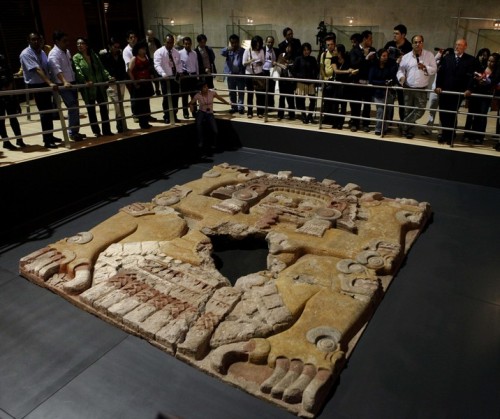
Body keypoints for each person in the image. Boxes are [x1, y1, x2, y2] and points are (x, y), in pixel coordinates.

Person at [19, 31, 60, 148]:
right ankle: (47, 140)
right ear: (29, 41)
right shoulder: (26, 54)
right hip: (37, 85)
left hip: (46, 84)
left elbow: (46, 68)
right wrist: (50, 83)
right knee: (44, 113)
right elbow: (37, 69)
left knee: (49, 111)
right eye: (33, 39)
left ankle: (50, 135)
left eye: (38, 39)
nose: (36, 41)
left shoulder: (42, 52)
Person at [435, 38, 475, 145]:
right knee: (443, 113)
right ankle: (444, 134)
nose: (457, 47)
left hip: (458, 92)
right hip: (445, 91)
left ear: (465, 46)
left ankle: (450, 136)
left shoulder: (470, 60)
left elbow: (471, 77)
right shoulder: (447, 58)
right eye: (456, 45)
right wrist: (438, 86)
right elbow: (440, 73)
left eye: (460, 45)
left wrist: (469, 89)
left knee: (452, 114)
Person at [73, 37, 115, 137]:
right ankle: (96, 131)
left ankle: (106, 130)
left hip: (99, 86)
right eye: (78, 44)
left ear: (86, 45)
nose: (80, 45)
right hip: (88, 88)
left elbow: (101, 68)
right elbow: (78, 71)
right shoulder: (76, 57)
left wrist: (108, 77)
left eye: (82, 43)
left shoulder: (94, 55)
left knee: (104, 108)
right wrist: (84, 81)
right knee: (91, 110)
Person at [396, 34, 437, 138]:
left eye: (420, 42)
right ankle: (406, 130)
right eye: (415, 42)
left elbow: (434, 69)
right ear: (412, 44)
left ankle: (403, 124)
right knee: (407, 110)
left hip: (421, 89)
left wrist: (425, 67)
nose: (418, 44)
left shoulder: (429, 55)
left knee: (421, 110)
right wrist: (401, 77)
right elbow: (400, 70)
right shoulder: (406, 57)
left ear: (422, 43)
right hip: (408, 88)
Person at [48, 30, 85, 141]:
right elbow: (56, 69)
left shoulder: (67, 51)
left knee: (75, 107)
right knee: (72, 106)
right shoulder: (53, 54)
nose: (67, 43)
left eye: (67, 40)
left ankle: (75, 131)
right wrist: (64, 81)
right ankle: (72, 132)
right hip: (63, 84)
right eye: (64, 41)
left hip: (71, 82)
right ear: (57, 41)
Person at [189, 81, 230, 156]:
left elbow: (219, 98)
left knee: (215, 130)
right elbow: (191, 103)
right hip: (202, 111)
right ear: (201, 89)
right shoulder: (198, 95)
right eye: (204, 87)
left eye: (207, 86)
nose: (207, 88)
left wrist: (227, 102)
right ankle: (200, 142)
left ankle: (213, 144)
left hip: (210, 113)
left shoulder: (212, 92)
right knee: (198, 124)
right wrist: (191, 108)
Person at [384, 24, 413, 123]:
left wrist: (403, 58)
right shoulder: (389, 44)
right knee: (389, 102)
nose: (394, 35)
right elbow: (382, 58)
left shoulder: (409, 47)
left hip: (403, 78)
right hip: (390, 76)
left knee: (403, 102)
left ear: (403, 35)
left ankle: (403, 123)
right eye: (394, 33)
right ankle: (388, 123)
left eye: (397, 33)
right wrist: (386, 54)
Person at [467, 54, 498, 144]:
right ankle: (473, 135)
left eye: (492, 61)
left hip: (486, 96)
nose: (490, 63)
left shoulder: (496, 72)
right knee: (475, 115)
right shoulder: (482, 68)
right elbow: (475, 77)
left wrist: (486, 82)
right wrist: (478, 79)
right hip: (478, 93)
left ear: (495, 63)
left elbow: (494, 82)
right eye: (489, 61)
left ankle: (480, 137)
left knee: (482, 116)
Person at [101, 37, 127, 133]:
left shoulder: (120, 56)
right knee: (116, 104)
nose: (117, 49)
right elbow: (104, 69)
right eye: (114, 47)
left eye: (118, 47)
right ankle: (120, 125)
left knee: (120, 103)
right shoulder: (104, 57)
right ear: (110, 47)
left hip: (121, 82)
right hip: (111, 84)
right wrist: (109, 78)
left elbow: (123, 68)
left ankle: (121, 125)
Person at [463, 48, 490, 141]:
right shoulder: (474, 64)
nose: (483, 57)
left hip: (484, 94)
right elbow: (469, 77)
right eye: (481, 54)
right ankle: (467, 134)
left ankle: (479, 136)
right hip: (473, 93)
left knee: (481, 116)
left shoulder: (489, 67)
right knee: (470, 114)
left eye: (485, 55)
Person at [369, 48, 398, 135]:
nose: (386, 58)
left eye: (387, 56)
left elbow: (393, 77)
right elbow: (371, 80)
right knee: (381, 110)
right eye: (383, 56)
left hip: (388, 92)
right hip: (378, 92)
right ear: (379, 56)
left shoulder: (390, 66)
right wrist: (383, 82)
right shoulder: (373, 66)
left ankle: (385, 128)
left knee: (388, 110)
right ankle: (378, 129)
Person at [0, 52, 26, 150]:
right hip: (0, 95)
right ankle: (6, 141)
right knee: (1, 120)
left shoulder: (5, 64)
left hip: (9, 94)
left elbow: (11, 79)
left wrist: (15, 99)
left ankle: (19, 139)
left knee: (13, 118)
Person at [154, 34, 182, 124]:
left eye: (172, 43)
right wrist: (163, 73)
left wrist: (180, 72)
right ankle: (166, 116)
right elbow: (157, 64)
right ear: (164, 42)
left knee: (175, 97)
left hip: (175, 78)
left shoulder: (176, 52)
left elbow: (179, 64)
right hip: (165, 78)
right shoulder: (159, 52)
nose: (170, 44)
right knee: (166, 98)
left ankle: (174, 115)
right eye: (168, 42)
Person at [128, 41, 154, 129]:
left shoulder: (146, 58)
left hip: (146, 84)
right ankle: (142, 123)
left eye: (145, 48)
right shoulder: (134, 59)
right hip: (139, 85)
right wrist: (135, 83)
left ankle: (146, 121)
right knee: (140, 104)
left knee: (146, 103)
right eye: (142, 49)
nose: (144, 50)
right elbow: (129, 71)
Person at [331, 44, 357, 129]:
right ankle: (334, 122)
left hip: (346, 85)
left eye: (335, 50)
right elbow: (336, 71)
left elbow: (351, 69)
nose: (333, 51)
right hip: (337, 84)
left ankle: (340, 123)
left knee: (343, 105)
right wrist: (347, 71)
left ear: (339, 52)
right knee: (335, 104)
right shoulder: (334, 59)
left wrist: (351, 72)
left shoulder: (347, 58)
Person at [292, 42, 319, 124]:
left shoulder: (313, 59)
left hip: (311, 82)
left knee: (312, 100)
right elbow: (293, 70)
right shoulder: (298, 59)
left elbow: (316, 70)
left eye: (308, 50)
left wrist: (314, 79)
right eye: (304, 50)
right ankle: (303, 116)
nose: (306, 51)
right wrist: (299, 76)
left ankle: (310, 116)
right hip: (301, 83)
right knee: (301, 101)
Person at [221, 34, 245, 115]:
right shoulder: (228, 50)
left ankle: (240, 107)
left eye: (235, 43)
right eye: (232, 43)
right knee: (232, 92)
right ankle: (233, 106)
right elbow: (221, 52)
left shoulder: (243, 51)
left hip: (240, 74)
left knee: (241, 91)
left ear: (238, 42)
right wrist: (227, 48)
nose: (234, 44)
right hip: (231, 74)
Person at [242, 35, 265, 118]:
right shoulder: (247, 50)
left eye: (259, 44)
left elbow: (263, 61)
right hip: (249, 74)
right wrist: (251, 61)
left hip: (259, 73)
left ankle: (260, 112)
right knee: (250, 93)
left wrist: (260, 63)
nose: (257, 46)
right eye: (256, 44)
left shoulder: (261, 51)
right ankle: (250, 111)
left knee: (259, 94)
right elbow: (243, 63)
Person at [179, 36, 199, 119]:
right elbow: (178, 65)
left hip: (193, 76)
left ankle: (194, 111)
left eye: (189, 44)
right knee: (185, 96)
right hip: (185, 76)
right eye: (185, 44)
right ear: (183, 44)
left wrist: (197, 76)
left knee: (194, 96)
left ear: (191, 44)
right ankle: (185, 112)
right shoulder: (179, 53)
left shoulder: (194, 53)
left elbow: (196, 65)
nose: (187, 45)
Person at [319, 33, 337, 125]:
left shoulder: (337, 53)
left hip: (335, 81)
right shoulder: (324, 54)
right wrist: (325, 78)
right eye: (328, 44)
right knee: (326, 101)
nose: (330, 46)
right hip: (326, 81)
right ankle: (326, 118)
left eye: (331, 44)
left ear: (335, 44)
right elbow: (322, 67)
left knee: (334, 102)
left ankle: (334, 120)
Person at [276, 44, 296, 120]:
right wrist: (279, 64)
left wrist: (288, 64)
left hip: (290, 80)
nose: (288, 48)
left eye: (290, 47)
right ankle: (280, 114)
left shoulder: (294, 56)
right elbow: (278, 63)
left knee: (290, 98)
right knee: (282, 97)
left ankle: (292, 114)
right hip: (282, 79)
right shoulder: (281, 55)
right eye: (287, 47)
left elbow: (294, 66)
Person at [123, 30, 138, 120]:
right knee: (134, 95)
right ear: (128, 40)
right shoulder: (126, 50)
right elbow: (129, 66)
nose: (133, 39)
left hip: (140, 75)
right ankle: (135, 115)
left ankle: (146, 114)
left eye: (134, 37)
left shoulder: (139, 48)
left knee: (143, 96)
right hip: (130, 75)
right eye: (131, 38)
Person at [144, 29, 162, 96]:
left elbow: (160, 49)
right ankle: (150, 91)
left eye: (152, 35)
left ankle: (157, 90)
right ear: (147, 35)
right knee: (149, 76)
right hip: (148, 61)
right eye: (150, 35)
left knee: (156, 75)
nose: (152, 36)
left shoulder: (156, 41)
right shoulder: (144, 42)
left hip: (155, 60)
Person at [262, 36, 278, 110]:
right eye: (268, 42)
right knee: (264, 89)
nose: (270, 43)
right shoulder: (262, 50)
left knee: (271, 89)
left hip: (272, 71)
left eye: (271, 42)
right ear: (265, 42)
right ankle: (264, 106)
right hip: (263, 71)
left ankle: (271, 106)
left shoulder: (276, 50)